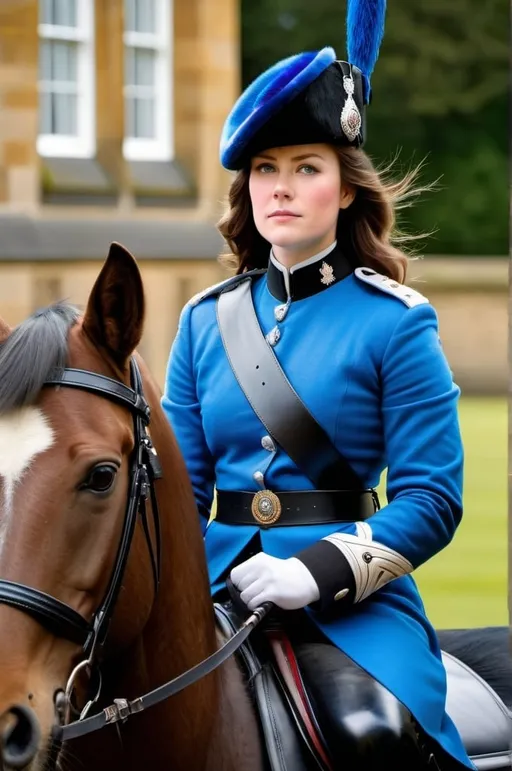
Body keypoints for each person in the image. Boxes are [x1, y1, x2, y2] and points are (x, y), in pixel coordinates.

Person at [162, 1, 473, 768]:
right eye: (266, 169)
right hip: (211, 596)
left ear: (344, 184)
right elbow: (176, 493)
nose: (282, 187)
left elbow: (433, 498)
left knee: (375, 732)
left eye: (306, 167)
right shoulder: (204, 322)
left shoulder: (396, 322)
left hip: (352, 610)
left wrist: (314, 571)